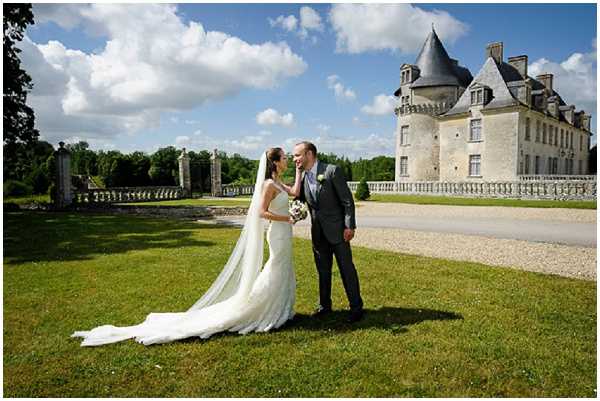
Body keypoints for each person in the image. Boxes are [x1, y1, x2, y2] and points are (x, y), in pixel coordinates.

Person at [72, 147, 302, 346]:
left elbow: (295, 192)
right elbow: (261, 212)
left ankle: (280, 308)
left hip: (284, 231)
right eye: (284, 158)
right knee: (275, 267)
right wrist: (287, 218)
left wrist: (300, 172)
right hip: (278, 232)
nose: (287, 160)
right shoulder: (268, 184)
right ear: (273, 162)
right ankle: (262, 309)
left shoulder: (279, 182)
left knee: (282, 268)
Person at [293, 141, 364, 323]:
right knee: (323, 272)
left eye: (297, 155)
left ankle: (356, 308)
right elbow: (297, 200)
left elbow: (347, 201)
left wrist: (350, 226)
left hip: (339, 232)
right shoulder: (303, 178)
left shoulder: (332, 171)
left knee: (347, 270)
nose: (294, 159)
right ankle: (325, 306)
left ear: (309, 154)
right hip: (318, 235)